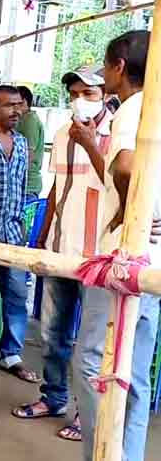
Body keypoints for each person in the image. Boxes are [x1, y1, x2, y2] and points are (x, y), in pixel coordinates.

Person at [12, 67, 112, 441]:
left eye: (88, 93)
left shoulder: (120, 134)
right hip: (60, 249)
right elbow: (58, 185)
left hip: (100, 255)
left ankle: (86, 414)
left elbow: (122, 186)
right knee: (53, 332)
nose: (80, 100)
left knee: (92, 344)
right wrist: (42, 232)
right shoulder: (61, 132)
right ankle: (53, 397)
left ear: (105, 94)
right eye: (74, 92)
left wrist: (91, 142)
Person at [74, 30, 160, 461]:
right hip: (154, 263)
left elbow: (124, 168)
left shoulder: (133, 108)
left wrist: (127, 212)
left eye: (106, 66)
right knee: (136, 374)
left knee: (92, 361)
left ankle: (105, 455)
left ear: (120, 66)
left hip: (122, 260)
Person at [0, 85, 40, 383]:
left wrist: (24, 225)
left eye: (19, 105)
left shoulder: (23, 143)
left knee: (16, 296)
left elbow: (22, 185)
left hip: (13, 235)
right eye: (8, 106)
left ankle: (11, 354)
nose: (16, 111)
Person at [16, 85, 44, 203]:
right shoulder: (21, 119)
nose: (14, 108)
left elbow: (28, 154)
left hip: (27, 185)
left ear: (26, 103)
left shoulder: (29, 120)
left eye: (18, 103)